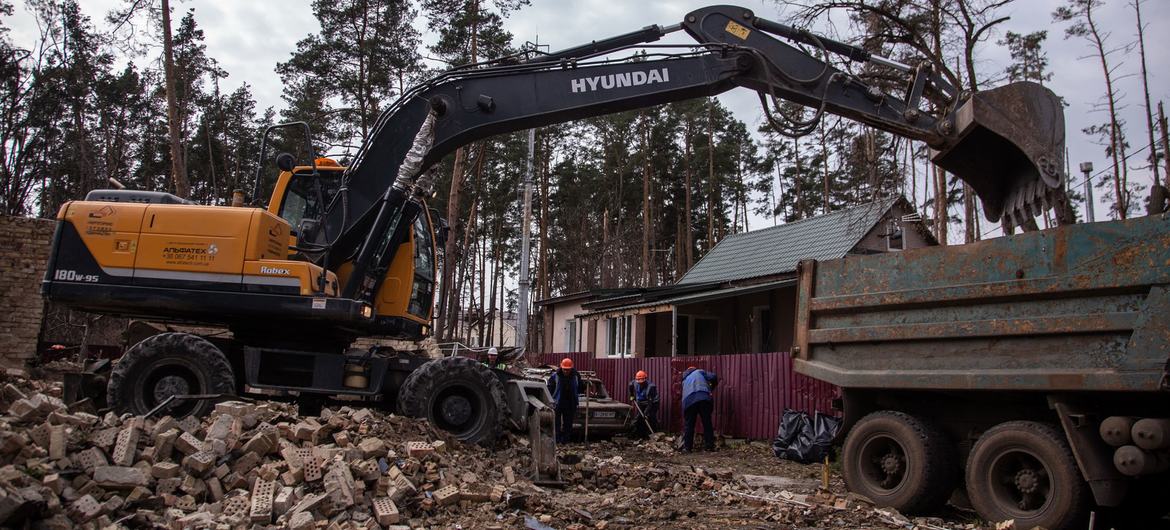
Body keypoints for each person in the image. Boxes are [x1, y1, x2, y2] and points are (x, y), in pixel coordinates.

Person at [681, 365, 718, 453]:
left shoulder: (684, 380)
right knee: (707, 422)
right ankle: (709, 447)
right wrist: (711, 388)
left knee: (689, 425)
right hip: (703, 397)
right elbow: (713, 376)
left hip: (689, 401)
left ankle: (687, 448)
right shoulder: (699, 371)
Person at [546, 358, 581, 444]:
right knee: (556, 423)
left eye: (568, 370)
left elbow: (580, 388)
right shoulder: (555, 376)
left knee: (568, 423)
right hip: (558, 403)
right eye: (564, 369)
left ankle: (566, 440)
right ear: (561, 368)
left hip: (570, 403)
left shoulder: (576, 376)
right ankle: (557, 440)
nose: (566, 371)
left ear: (571, 368)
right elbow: (549, 389)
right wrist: (550, 400)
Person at [627, 370, 659, 438]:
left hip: (652, 402)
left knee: (650, 416)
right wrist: (632, 396)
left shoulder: (651, 387)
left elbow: (650, 403)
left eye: (642, 382)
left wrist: (645, 413)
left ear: (645, 379)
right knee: (639, 417)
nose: (640, 383)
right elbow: (630, 385)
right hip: (641, 401)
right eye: (639, 381)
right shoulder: (635, 382)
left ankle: (653, 433)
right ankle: (640, 434)